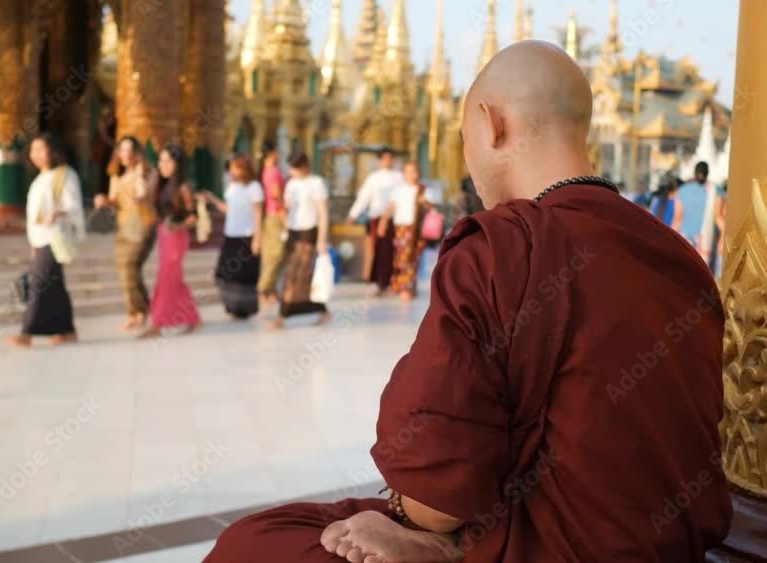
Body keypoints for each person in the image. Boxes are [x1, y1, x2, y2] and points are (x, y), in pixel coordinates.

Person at [205, 40, 730, 563]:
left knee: (252, 543)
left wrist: (426, 532)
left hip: (540, 551)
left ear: (491, 124)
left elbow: (436, 499)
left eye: (464, 138)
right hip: (668, 549)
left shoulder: (502, 245)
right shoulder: (682, 259)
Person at [7, 132, 85, 348]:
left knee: (39, 284)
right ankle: (67, 330)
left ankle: (26, 332)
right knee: (55, 284)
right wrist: (33, 243)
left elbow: (73, 205)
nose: (37, 155)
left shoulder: (65, 175)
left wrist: (58, 214)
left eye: (42, 149)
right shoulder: (39, 180)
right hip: (40, 239)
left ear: (53, 151)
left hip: (54, 237)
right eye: (33, 150)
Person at [138, 143, 202, 338]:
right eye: (160, 160)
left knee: (167, 279)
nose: (162, 165)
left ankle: (158, 324)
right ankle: (193, 318)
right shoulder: (162, 184)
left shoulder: (183, 187)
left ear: (177, 163)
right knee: (172, 279)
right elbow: (151, 206)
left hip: (177, 237)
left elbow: (193, 217)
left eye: (167, 161)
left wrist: (176, 226)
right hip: (164, 235)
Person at [95, 136, 159, 331]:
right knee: (126, 270)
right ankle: (142, 310)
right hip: (125, 225)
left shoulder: (150, 173)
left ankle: (139, 312)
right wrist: (104, 200)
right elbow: (115, 200)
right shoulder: (116, 176)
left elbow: (143, 196)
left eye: (130, 150)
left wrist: (139, 173)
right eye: (122, 150)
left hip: (144, 223)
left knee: (130, 265)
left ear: (137, 154)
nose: (125, 154)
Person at [270, 152, 331, 329]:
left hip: (309, 234)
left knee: (297, 276)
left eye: (295, 168)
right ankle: (323, 311)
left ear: (305, 166)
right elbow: (286, 209)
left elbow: (323, 213)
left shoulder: (316, 183)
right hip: (293, 233)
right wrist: (278, 199)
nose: (292, 171)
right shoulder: (291, 184)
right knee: (294, 276)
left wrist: (322, 240)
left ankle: (282, 316)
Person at [204, 154, 265, 320]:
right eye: (230, 169)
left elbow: (258, 214)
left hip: (246, 236)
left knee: (244, 276)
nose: (231, 172)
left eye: (235, 168)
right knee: (223, 273)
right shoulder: (232, 187)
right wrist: (212, 200)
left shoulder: (254, 187)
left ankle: (244, 310)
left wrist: (257, 239)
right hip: (231, 235)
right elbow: (229, 209)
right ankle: (232, 306)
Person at [345, 148, 403, 295]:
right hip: (377, 218)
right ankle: (377, 281)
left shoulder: (399, 177)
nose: (388, 161)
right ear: (380, 161)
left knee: (393, 250)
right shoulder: (374, 178)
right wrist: (353, 214)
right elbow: (364, 197)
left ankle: (391, 281)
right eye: (385, 158)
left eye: (390, 158)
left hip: (396, 219)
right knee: (377, 249)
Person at [378, 161, 434, 301]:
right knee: (402, 258)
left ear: (418, 173)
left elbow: (433, 210)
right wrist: (383, 221)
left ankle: (410, 285)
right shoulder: (399, 190)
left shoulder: (424, 190)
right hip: (401, 229)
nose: (411, 175)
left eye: (413, 171)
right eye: (408, 172)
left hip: (418, 230)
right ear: (404, 174)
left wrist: (424, 202)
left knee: (414, 258)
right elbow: (391, 207)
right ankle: (404, 287)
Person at [676, 161, 726, 271]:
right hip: (704, 242)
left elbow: (677, 219)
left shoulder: (683, 191)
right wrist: (726, 236)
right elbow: (718, 217)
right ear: (707, 173)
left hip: (684, 240)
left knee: (684, 273)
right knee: (702, 275)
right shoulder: (716, 190)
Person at [257, 142, 287, 307]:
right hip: (275, 215)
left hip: (268, 216)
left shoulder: (265, 171)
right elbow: (276, 195)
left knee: (271, 255)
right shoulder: (274, 172)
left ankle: (271, 290)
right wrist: (284, 215)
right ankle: (264, 288)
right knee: (277, 254)